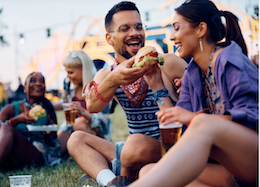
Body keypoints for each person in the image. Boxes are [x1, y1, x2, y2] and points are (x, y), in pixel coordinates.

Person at [129, 0, 258, 186]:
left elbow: (252, 120)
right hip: (227, 170)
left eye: (176, 28)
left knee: (202, 123)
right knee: (147, 171)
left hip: (252, 161)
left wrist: (192, 118)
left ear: (201, 29)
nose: (172, 37)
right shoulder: (193, 72)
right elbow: (175, 122)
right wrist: (156, 85)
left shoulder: (229, 61)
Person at [67, 1, 187, 186]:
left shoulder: (167, 62)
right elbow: (92, 106)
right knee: (76, 139)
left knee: (135, 143)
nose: (135, 33)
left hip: (169, 148)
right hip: (130, 150)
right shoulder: (108, 74)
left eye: (139, 27)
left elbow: (199, 92)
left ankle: (118, 171)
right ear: (109, 38)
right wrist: (114, 79)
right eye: (125, 28)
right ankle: (112, 182)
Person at [54, 49, 113, 158]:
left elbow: (102, 120)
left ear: (84, 70)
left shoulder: (99, 85)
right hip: (70, 127)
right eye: (66, 72)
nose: (67, 76)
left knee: (80, 122)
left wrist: (83, 112)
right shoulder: (68, 83)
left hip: (97, 132)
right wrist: (49, 106)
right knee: (54, 152)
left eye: (71, 72)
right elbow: (65, 103)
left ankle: (96, 155)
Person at [0, 72, 61, 171]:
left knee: (7, 128)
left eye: (42, 81)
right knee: (7, 128)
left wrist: (49, 135)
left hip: (36, 155)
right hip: (10, 154)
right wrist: (16, 120)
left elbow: (54, 143)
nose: (38, 84)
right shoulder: (11, 108)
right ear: (24, 88)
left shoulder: (48, 109)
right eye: (33, 81)